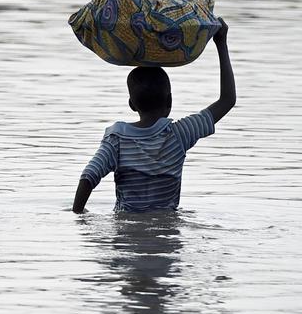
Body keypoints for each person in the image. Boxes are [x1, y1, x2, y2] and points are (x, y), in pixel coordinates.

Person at [72, 19, 235, 214]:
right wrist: (221, 43)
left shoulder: (117, 140)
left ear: (132, 105)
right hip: (168, 230)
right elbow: (227, 100)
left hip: (127, 232)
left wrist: (79, 214)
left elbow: (88, 177)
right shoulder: (180, 134)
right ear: (170, 102)